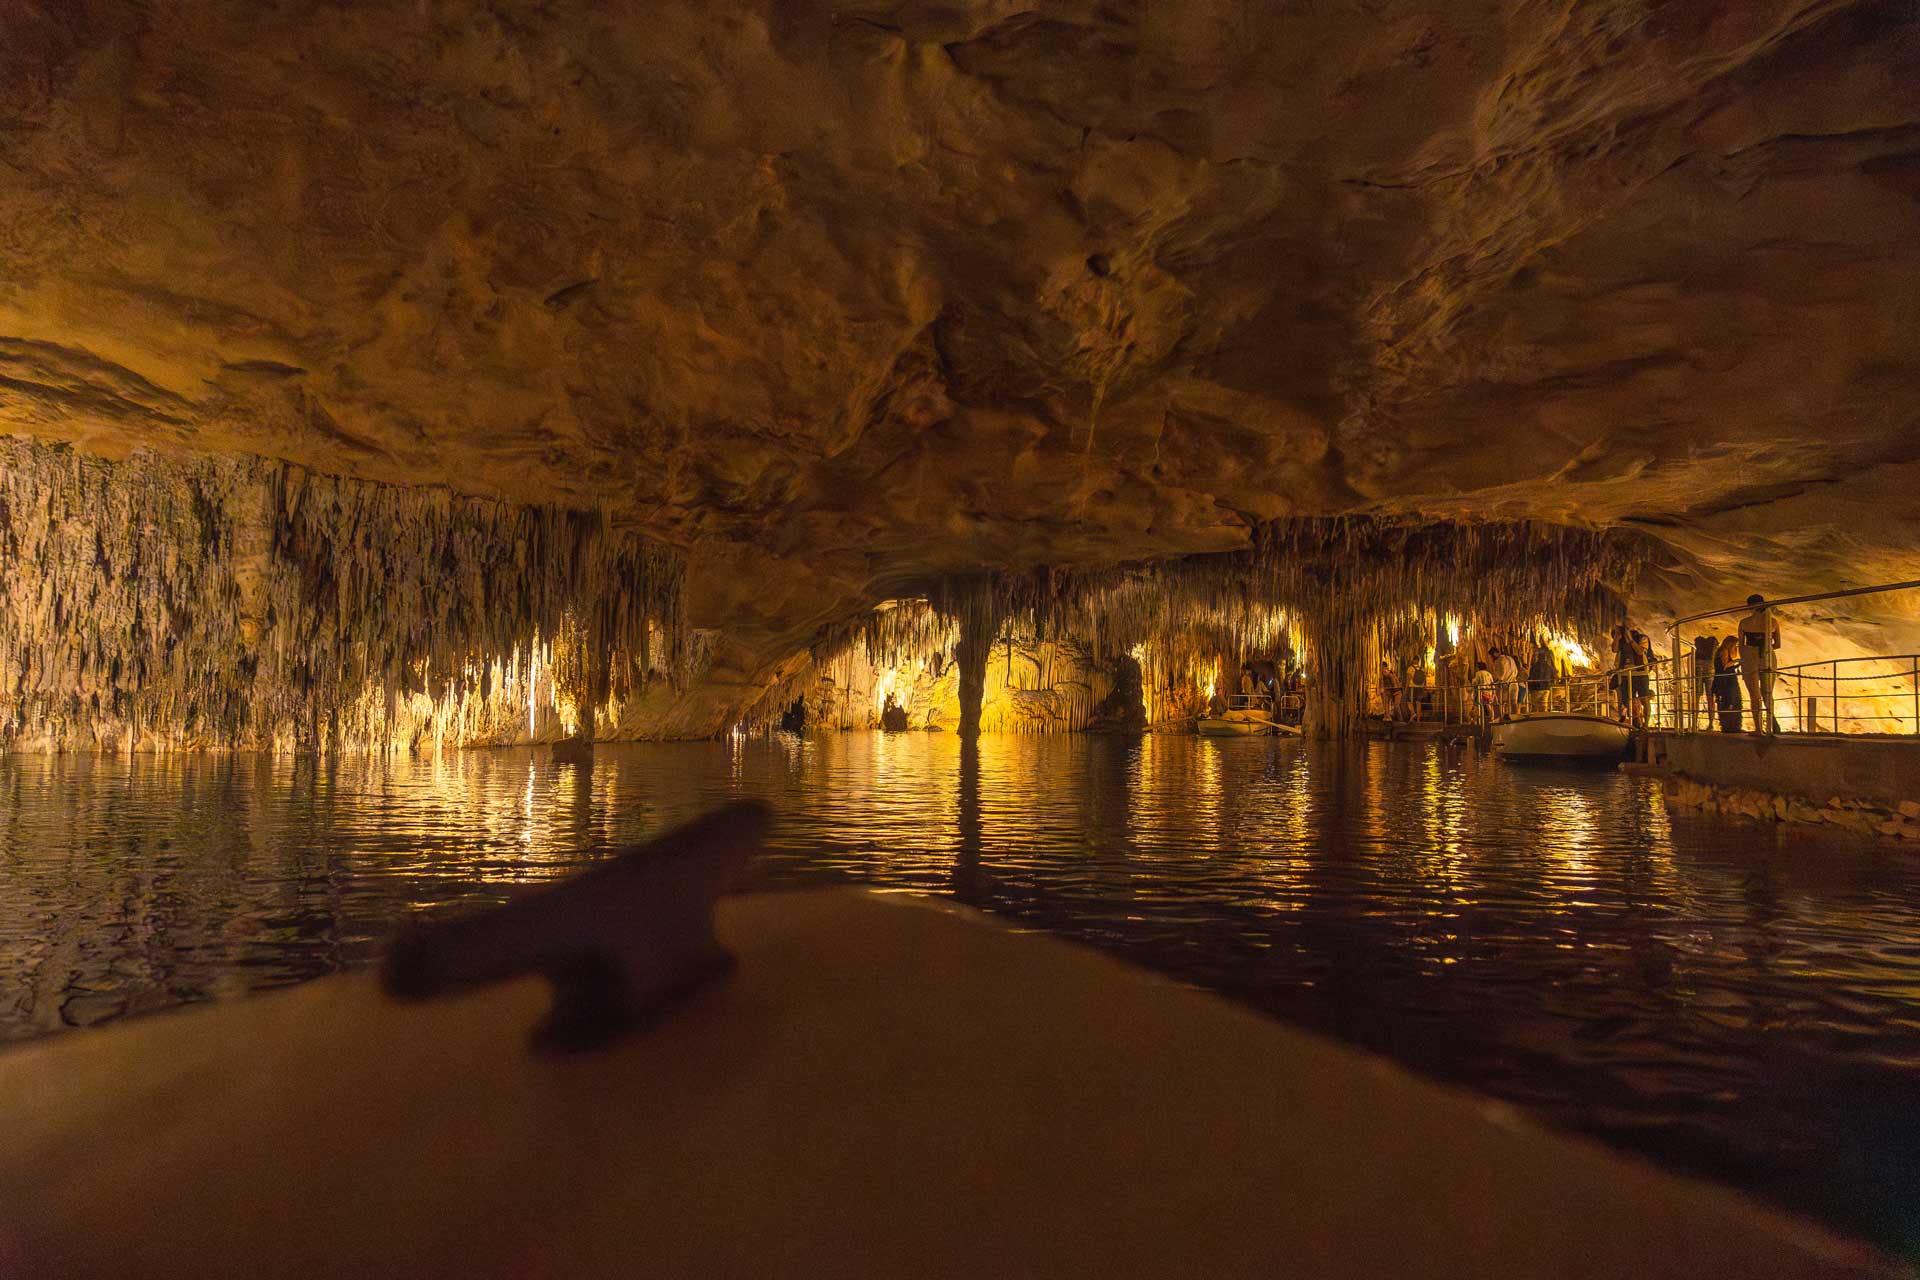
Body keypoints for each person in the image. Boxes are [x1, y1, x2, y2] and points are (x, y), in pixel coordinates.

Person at [1738, 594, 1781, 733]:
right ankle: (1770, 725)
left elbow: (1741, 645)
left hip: (1750, 657)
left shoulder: (1744, 623)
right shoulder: (1773, 622)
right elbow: (1778, 644)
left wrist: (1746, 656)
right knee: (1767, 694)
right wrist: (1766, 648)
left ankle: (1758, 729)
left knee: (1754, 695)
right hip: (1767, 655)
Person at [1712, 634, 1743, 732]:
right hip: (1726, 681)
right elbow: (1725, 666)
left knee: (1726, 702)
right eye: (1735, 646)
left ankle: (1728, 726)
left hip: (1722, 680)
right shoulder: (1724, 651)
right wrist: (1738, 661)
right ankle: (1732, 726)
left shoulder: (1719, 651)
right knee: (1731, 701)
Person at [1691, 633, 1718, 730]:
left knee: (1696, 697)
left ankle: (1694, 723)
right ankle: (1710, 724)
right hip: (1710, 668)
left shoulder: (1698, 649)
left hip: (1698, 668)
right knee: (1710, 697)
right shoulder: (1713, 646)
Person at [1527, 638, 1556, 711]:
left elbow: (1531, 676)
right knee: (1544, 705)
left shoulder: (1534, 667)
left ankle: (1534, 719)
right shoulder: (1548, 667)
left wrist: (1530, 686)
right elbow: (1553, 676)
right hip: (1546, 687)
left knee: (1534, 706)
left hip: (1536, 688)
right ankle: (1544, 717)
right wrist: (1550, 683)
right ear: (1545, 658)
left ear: (1538, 658)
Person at [1492, 646, 1520, 716]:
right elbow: (1516, 670)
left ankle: (1502, 717)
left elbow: (1502, 671)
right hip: (1514, 682)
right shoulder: (1510, 658)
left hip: (1504, 684)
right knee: (1514, 702)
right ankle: (1515, 717)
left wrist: (1498, 680)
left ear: (1495, 653)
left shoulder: (1499, 660)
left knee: (1501, 703)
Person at [1471, 661, 1495, 727]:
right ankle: (1492, 718)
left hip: (1481, 691)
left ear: (1478, 667)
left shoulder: (1478, 673)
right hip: (1488, 692)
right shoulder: (1489, 674)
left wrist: (1472, 681)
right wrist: (1493, 693)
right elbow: (1492, 683)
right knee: (1488, 705)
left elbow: (1475, 682)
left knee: (1476, 705)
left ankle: (1475, 720)